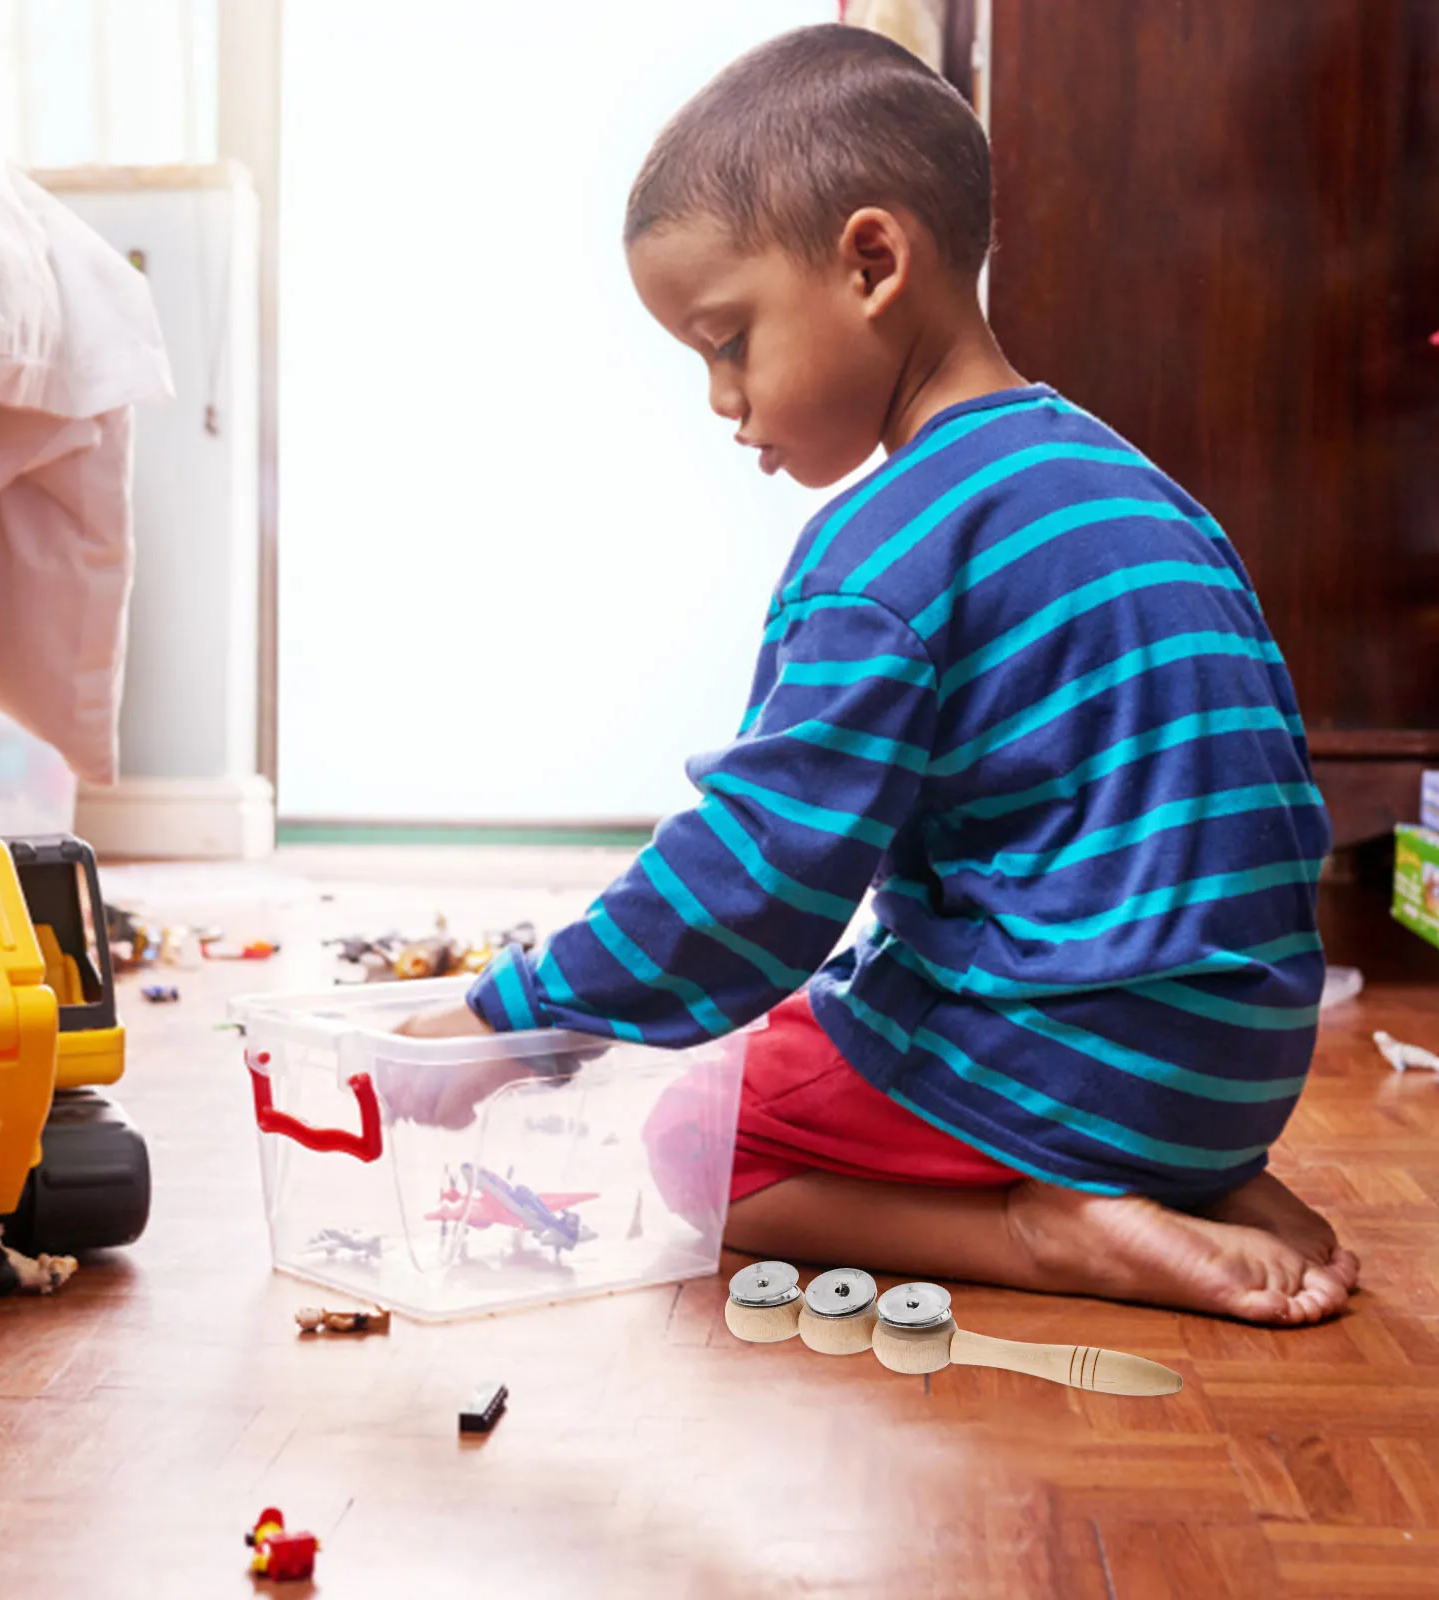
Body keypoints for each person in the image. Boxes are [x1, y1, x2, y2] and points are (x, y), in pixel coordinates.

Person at [396, 24, 1357, 1325]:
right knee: (853, 1009)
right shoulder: (1143, 491)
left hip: (1063, 1063)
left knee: (701, 1139)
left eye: (727, 340)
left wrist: (515, 1025)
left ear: (870, 263)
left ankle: (1050, 1228)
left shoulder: (884, 547)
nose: (723, 400)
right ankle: (1196, 1182)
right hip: (1238, 1062)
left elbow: (758, 882)